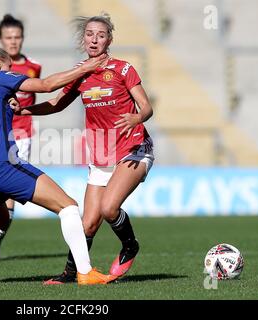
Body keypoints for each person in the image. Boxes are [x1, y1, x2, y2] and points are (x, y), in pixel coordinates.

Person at [0, 45, 117, 286]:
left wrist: (11, 107)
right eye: (9, 66)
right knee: (68, 207)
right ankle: (85, 272)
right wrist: (86, 67)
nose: (11, 71)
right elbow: (45, 86)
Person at [13, 12, 155, 284]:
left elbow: (146, 107)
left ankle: (130, 245)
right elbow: (56, 103)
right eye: (90, 34)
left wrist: (137, 117)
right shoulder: (81, 73)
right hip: (102, 154)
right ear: (83, 39)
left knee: (109, 208)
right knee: (87, 224)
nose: (94, 39)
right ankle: (69, 273)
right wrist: (25, 108)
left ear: (109, 40)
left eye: (101, 35)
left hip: (133, 148)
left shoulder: (124, 69)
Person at [0, 14, 43, 261]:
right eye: (8, 37)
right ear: (0, 39)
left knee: (8, 190)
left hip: (21, 134)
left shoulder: (34, 67)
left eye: (17, 37)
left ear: (23, 38)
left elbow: (36, 95)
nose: (13, 42)